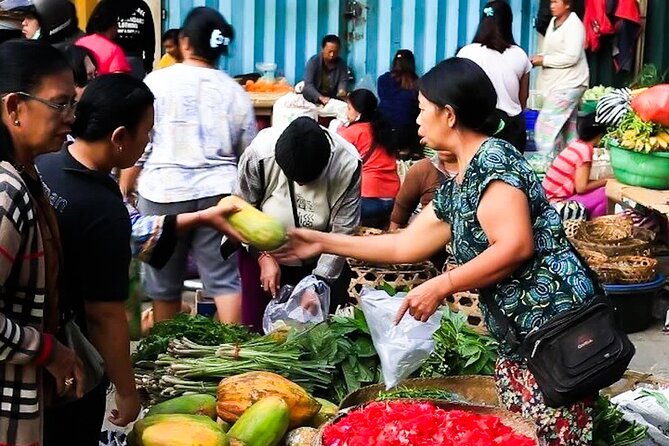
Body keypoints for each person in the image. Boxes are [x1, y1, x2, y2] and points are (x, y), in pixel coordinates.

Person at [276, 58, 597, 445]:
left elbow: (515, 245)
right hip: (521, 338)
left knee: (554, 435)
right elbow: (403, 244)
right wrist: (323, 240)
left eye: (423, 109)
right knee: (526, 432)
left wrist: (439, 285)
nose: (416, 120)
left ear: (448, 115)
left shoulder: (494, 160)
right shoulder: (458, 183)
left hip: (554, 329)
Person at [37, 74, 244, 444]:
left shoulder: (48, 163)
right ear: (119, 138)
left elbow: (134, 230)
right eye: (147, 132)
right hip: (68, 360)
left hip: (34, 347)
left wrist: (203, 217)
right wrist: (127, 390)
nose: (148, 142)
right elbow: (105, 315)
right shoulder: (101, 206)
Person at [119, 7, 257, 325]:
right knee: (223, 280)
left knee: (164, 285)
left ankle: (168, 354)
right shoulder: (235, 92)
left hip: (164, 193)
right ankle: (234, 351)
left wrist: (125, 183)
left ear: (184, 41)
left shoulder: (157, 82)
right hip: (219, 194)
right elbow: (247, 153)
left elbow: (143, 142)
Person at [0, 39, 84, 446]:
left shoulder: (27, 176)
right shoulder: (6, 192)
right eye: (60, 104)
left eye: (73, 104)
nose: (71, 117)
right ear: (14, 108)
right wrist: (46, 349)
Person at [236, 116, 361, 332]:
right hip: (262, 253)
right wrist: (262, 256)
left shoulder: (347, 164)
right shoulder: (259, 154)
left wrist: (318, 282)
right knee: (254, 328)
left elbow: (343, 230)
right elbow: (240, 209)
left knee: (316, 333)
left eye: (308, 181)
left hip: (319, 259)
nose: (301, 185)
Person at [457, 0, 532, 152]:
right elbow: (523, 99)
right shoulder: (520, 54)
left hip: (477, 128)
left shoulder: (467, 53)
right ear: (508, 23)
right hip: (512, 131)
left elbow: (459, 93)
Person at [530, 0, 589, 163]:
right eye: (551, 2)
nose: (552, 6)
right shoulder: (554, 23)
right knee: (567, 131)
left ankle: (546, 164)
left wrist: (544, 60)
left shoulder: (574, 25)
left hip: (570, 83)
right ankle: (571, 167)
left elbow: (571, 57)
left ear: (568, 4)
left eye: (556, 2)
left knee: (545, 127)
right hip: (559, 83)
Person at [336, 88, 399, 228]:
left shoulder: (351, 133)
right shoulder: (383, 128)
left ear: (359, 113)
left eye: (349, 108)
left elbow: (336, 161)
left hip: (368, 200)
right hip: (393, 199)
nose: (347, 113)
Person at [543, 112, 609, 219]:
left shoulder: (576, 145)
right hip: (557, 205)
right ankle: (594, 227)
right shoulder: (585, 150)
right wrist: (607, 180)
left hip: (547, 200)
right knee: (604, 193)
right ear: (601, 135)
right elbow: (581, 188)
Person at [377, 49, 420, 158]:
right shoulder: (417, 83)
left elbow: (383, 99)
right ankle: (412, 151)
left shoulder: (382, 79)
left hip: (383, 133)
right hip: (406, 134)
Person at [76, 0, 131, 75]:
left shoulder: (80, 43)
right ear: (112, 26)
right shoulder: (114, 50)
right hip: (104, 86)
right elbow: (119, 80)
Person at [302, 34, 348, 106]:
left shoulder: (341, 64)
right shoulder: (313, 61)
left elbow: (343, 80)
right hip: (314, 96)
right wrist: (321, 97)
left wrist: (342, 90)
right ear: (322, 49)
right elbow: (308, 84)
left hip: (331, 97)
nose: (332, 54)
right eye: (329, 51)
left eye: (335, 52)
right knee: (307, 91)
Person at [115, 0, 156, 78]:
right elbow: (150, 37)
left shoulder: (108, 4)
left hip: (119, 59)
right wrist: (148, 64)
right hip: (134, 60)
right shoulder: (142, 6)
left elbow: (149, 36)